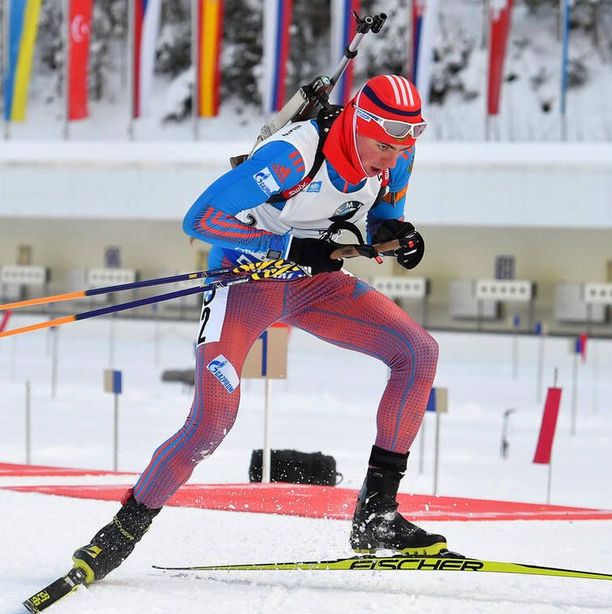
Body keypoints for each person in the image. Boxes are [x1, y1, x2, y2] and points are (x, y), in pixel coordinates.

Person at [71, 74, 445, 585]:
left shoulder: (397, 157)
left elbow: (378, 220)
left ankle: (376, 516)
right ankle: (121, 531)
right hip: (245, 280)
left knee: (417, 352)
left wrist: (397, 237)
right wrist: (283, 249)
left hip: (317, 284)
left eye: (407, 143)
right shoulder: (293, 156)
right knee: (213, 419)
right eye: (385, 144)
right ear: (359, 121)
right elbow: (200, 219)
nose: (394, 156)